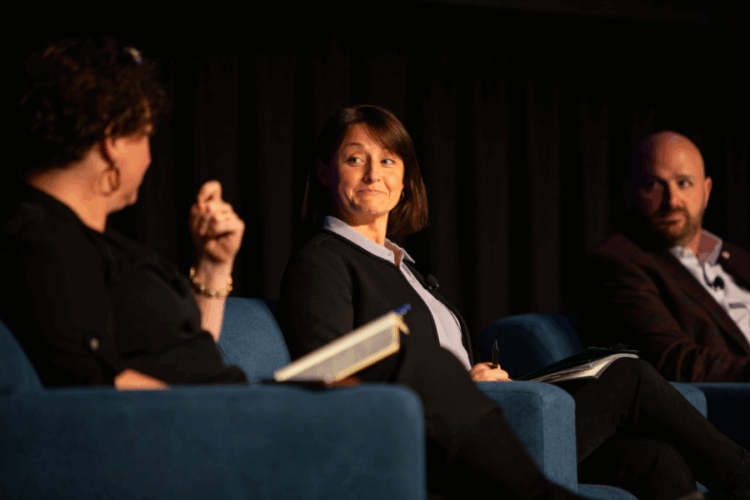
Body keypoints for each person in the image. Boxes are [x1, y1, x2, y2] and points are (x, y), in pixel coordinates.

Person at [279, 105, 750, 500]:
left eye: (388, 160)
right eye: (354, 159)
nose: (373, 174)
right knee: (628, 376)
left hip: (490, 411)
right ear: (323, 171)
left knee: (655, 459)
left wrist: (478, 373)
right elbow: (330, 374)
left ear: (404, 179)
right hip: (445, 436)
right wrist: (458, 383)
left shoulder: (404, 264)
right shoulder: (324, 259)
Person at [2, 38, 247, 388]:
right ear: (112, 143)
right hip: (209, 417)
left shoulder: (88, 242)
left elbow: (184, 352)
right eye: (145, 136)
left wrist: (214, 264)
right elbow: (95, 383)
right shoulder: (43, 240)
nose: (149, 157)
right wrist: (235, 407)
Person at [579, 131, 750, 382]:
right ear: (629, 193)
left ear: (706, 191)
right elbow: (671, 359)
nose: (672, 201)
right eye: (653, 185)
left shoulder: (734, 257)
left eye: (684, 183)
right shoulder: (618, 261)